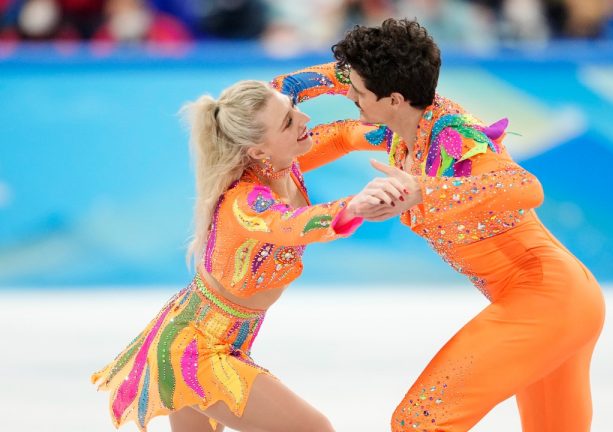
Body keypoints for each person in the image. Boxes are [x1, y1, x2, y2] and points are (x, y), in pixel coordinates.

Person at [271, 18, 606, 432]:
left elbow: (525, 186)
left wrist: (425, 192)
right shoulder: (399, 122)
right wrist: (273, 110)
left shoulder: (456, 138)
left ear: (393, 98)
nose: (348, 94)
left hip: (550, 299)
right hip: (561, 300)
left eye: (357, 92)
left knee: (420, 421)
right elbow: (338, 129)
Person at [91, 79, 403, 431]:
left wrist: (406, 130)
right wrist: (354, 205)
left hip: (205, 340)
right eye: (288, 120)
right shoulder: (245, 202)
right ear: (257, 150)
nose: (304, 117)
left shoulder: (287, 162)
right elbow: (289, 223)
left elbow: (346, 135)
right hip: (196, 350)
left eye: (292, 107)